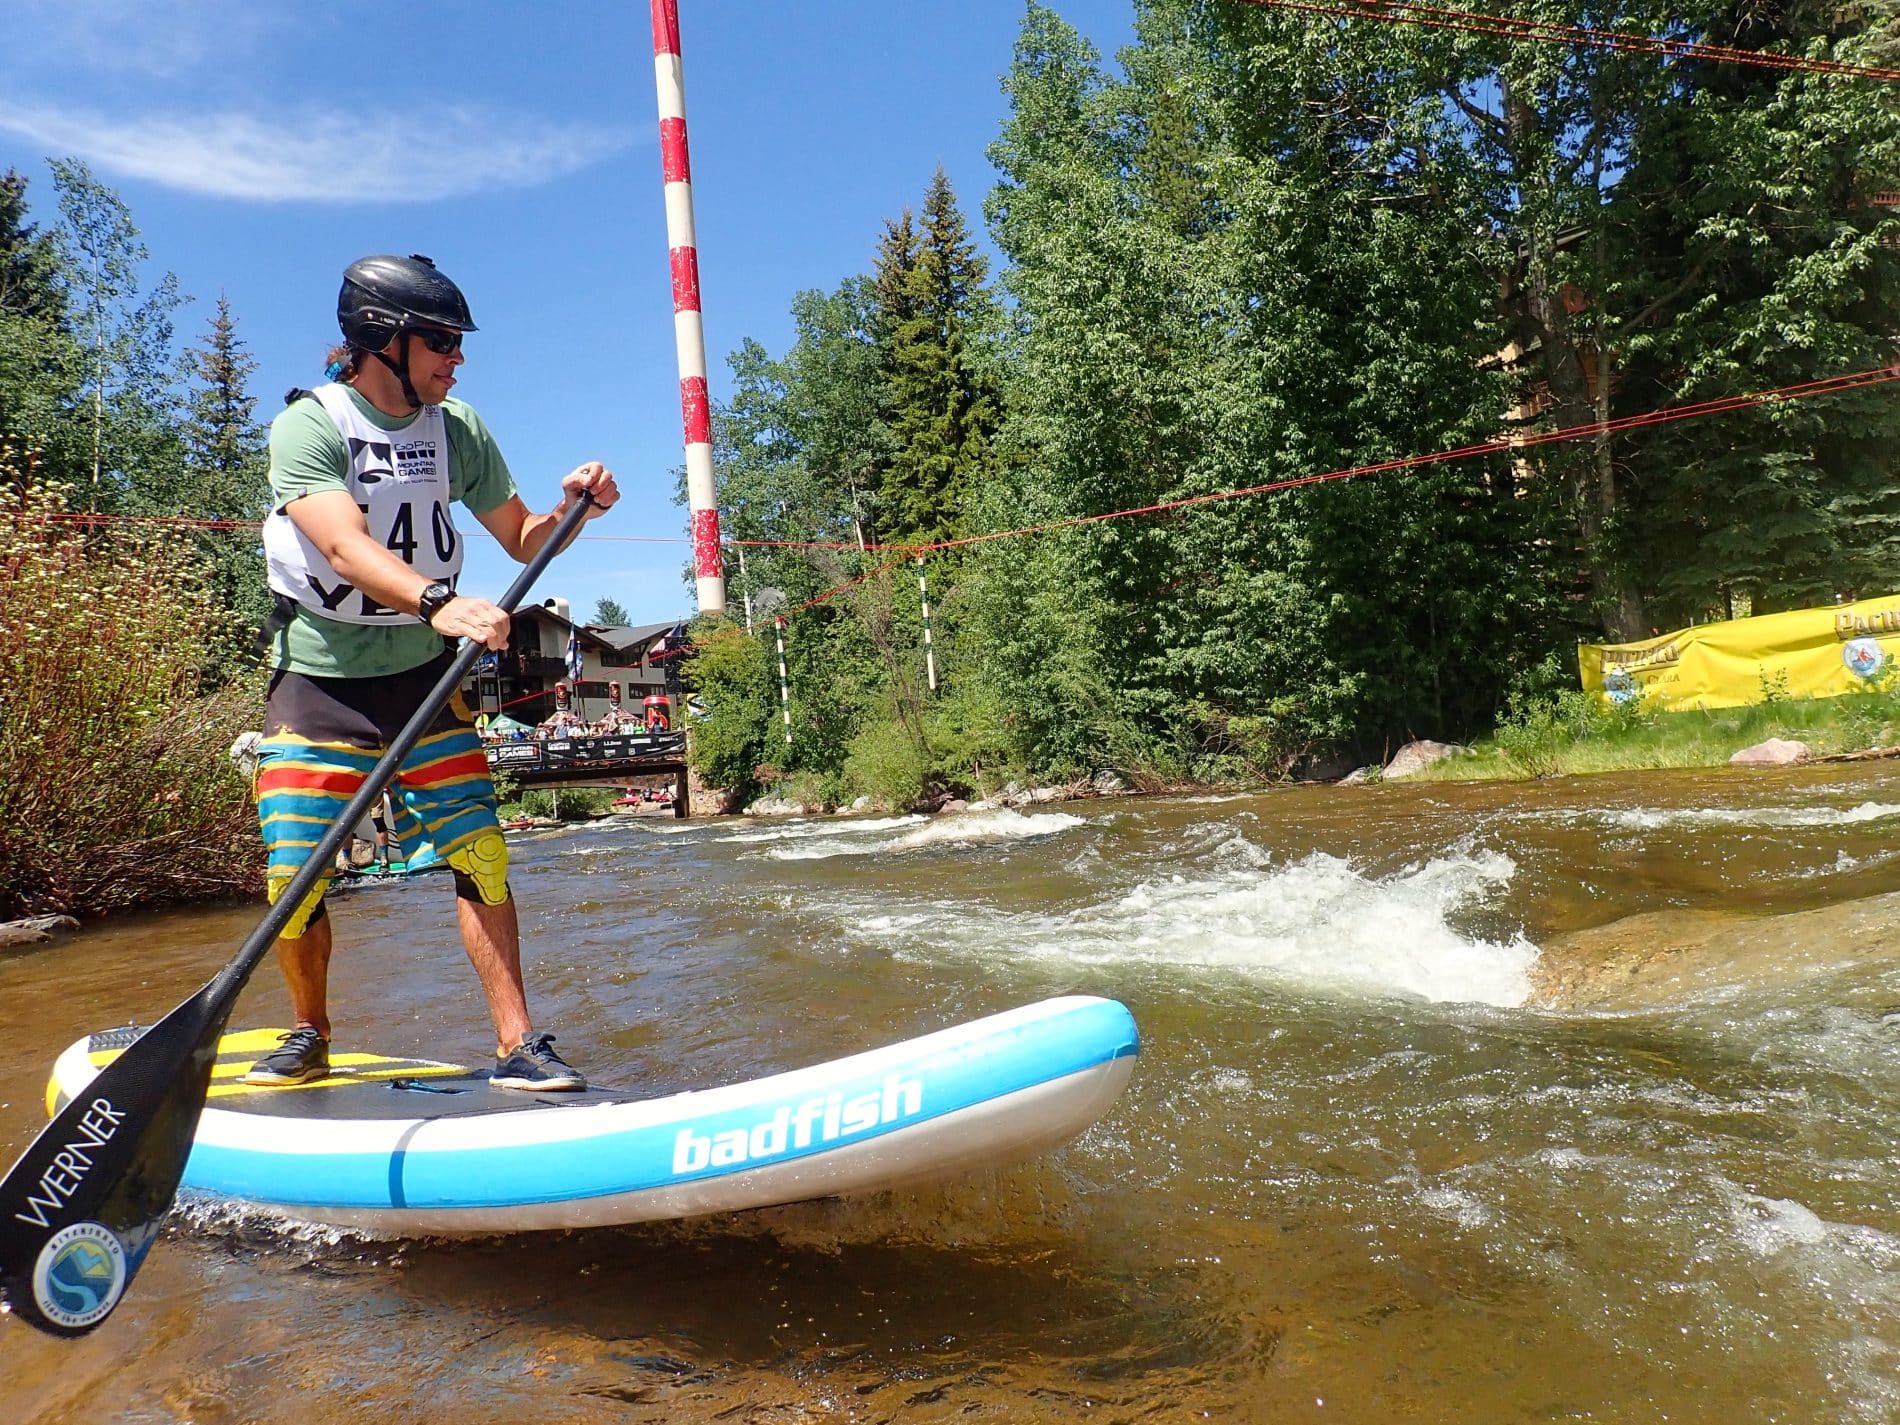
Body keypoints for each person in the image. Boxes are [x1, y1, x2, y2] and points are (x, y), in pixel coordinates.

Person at [246, 252, 618, 1091]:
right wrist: (436, 602)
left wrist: (573, 511)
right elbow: (342, 543)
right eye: (442, 341)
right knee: (294, 870)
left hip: (423, 678)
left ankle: (518, 1043)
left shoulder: (460, 430)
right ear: (384, 340)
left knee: (480, 850)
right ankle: (309, 1032)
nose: (458, 358)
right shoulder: (311, 426)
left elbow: (524, 538)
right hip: (321, 680)